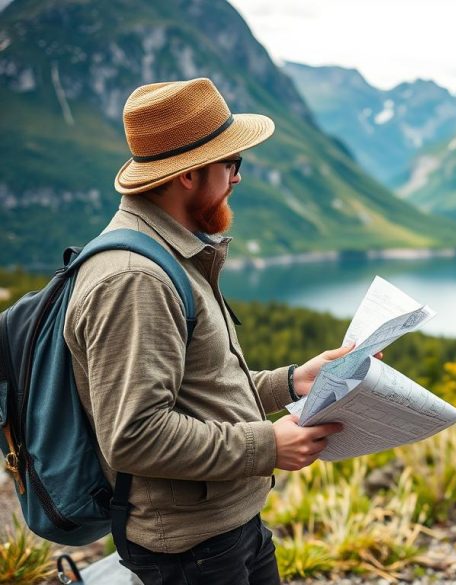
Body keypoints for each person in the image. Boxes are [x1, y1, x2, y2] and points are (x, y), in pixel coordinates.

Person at [63, 78, 350, 584]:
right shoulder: (135, 279)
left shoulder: (171, 251)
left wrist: (292, 381)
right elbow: (133, 436)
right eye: (231, 163)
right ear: (191, 175)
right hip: (190, 550)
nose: (237, 178)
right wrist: (268, 445)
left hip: (226, 526)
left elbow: (200, 389)